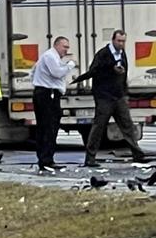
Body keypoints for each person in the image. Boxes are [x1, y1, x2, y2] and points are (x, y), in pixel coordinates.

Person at [73, 30, 146, 166]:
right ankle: (90, 157)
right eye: (119, 41)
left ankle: (137, 153)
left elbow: (124, 74)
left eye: (123, 41)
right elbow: (94, 71)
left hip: (119, 96)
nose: (121, 44)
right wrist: (111, 68)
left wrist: (124, 91)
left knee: (127, 126)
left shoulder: (121, 53)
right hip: (104, 97)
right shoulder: (103, 54)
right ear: (113, 40)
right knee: (99, 127)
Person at [31, 36, 75, 171]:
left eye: (67, 47)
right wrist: (70, 66)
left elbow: (32, 72)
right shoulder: (50, 56)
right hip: (47, 95)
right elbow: (56, 73)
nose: (66, 50)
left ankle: (46, 159)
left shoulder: (49, 57)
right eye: (64, 47)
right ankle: (46, 160)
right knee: (48, 127)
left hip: (46, 93)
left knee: (48, 127)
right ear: (56, 45)